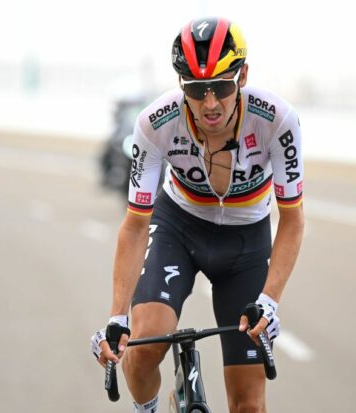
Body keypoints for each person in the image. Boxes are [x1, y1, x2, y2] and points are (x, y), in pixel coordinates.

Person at [91, 17, 304, 413]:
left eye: (221, 87)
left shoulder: (277, 119)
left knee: (249, 406)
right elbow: (135, 224)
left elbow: (292, 219)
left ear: (242, 77)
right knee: (145, 344)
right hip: (179, 229)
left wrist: (270, 301)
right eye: (195, 88)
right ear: (180, 84)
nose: (209, 103)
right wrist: (117, 315)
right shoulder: (155, 124)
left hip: (246, 240)